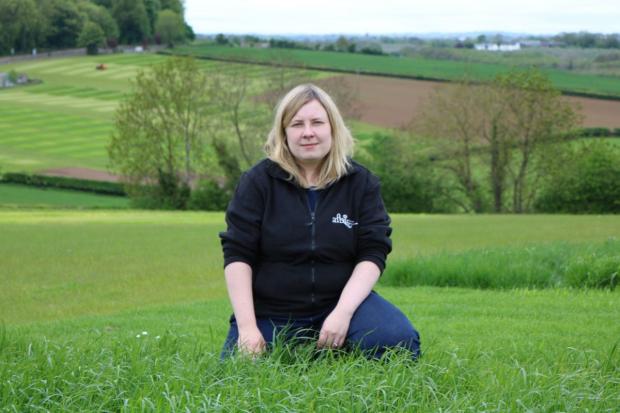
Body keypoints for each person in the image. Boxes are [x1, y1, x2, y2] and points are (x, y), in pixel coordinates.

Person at [219, 83, 420, 359]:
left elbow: (373, 252)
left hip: (341, 303)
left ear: (333, 129)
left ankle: (335, 341)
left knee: (398, 342)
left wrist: (343, 313)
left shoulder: (360, 183)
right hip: (273, 309)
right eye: (297, 124)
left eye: (317, 122)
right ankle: (315, 348)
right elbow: (237, 254)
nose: (308, 132)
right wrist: (247, 328)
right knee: (238, 371)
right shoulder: (257, 183)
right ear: (283, 133)